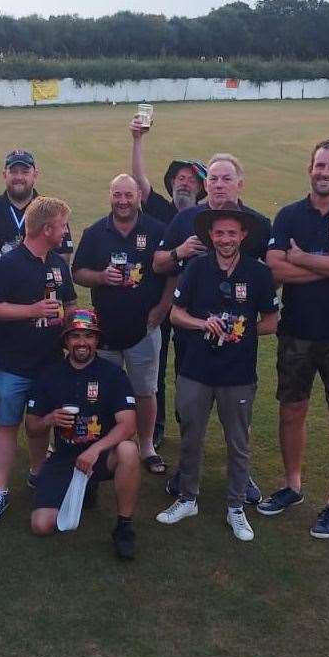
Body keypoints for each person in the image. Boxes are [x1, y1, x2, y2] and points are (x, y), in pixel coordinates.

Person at [261, 139, 329, 538]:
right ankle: (293, 485)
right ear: (310, 168)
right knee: (291, 409)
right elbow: (274, 269)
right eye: (319, 165)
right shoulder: (289, 215)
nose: (325, 173)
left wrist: (302, 257)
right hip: (296, 331)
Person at [153, 152, 271, 505]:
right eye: (214, 179)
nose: (219, 185)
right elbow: (158, 263)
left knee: (237, 413)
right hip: (192, 334)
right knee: (191, 407)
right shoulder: (187, 218)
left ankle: (242, 476)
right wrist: (179, 251)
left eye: (226, 179)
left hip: (238, 341)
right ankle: (186, 473)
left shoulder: (260, 224)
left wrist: (245, 308)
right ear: (207, 184)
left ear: (239, 183)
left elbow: (271, 276)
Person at [157, 209, 279, 542]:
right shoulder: (196, 267)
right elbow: (177, 314)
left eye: (231, 233)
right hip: (196, 369)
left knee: (238, 443)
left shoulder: (258, 273)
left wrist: (242, 330)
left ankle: (236, 507)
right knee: (191, 436)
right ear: (211, 236)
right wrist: (203, 324)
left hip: (238, 373)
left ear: (243, 236)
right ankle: (187, 498)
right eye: (219, 233)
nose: (225, 239)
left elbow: (271, 321)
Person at [0, 197, 78, 523]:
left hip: (49, 363)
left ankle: (37, 473)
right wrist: (32, 311)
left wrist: (72, 321)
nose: (65, 231)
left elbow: (71, 305)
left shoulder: (58, 264)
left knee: (39, 426)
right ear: (47, 229)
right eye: (62, 225)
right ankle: (0, 490)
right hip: (12, 364)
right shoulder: (7, 264)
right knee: (6, 427)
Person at [0, 148, 75, 462]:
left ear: (34, 174)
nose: (19, 176)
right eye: (13, 170)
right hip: (1, 305)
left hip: (41, 310)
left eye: (24, 170)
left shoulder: (49, 210)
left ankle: (38, 453)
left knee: (36, 394)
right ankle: (1, 433)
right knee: (5, 383)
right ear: (5, 174)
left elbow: (64, 262)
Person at [72, 173, 172, 474]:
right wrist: (101, 277)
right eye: (118, 195)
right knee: (102, 390)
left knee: (145, 390)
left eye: (129, 195)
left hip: (145, 327)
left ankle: (146, 445)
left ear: (138, 196)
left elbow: (173, 273)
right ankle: (104, 443)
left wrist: (162, 308)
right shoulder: (94, 232)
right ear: (110, 196)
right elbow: (77, 273)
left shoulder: (157, 230)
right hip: (105, 329)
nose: (123, 201)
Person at [24, 309, 142, 560]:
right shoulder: (49, 375)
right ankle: (85, 490)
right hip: (64, 457)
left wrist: (95, 449)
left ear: (97, 340)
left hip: (101, 455)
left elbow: (128, 425)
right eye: (75, 336)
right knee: (41, 525)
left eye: (88, 336)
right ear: (66, 341)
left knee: (128, 449)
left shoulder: (113, 375)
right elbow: (32, 428)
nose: (82, 343)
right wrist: (49, 419)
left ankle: (124, 527)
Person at [128, 118, 205, 448]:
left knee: (187, 369)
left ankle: (186, 423)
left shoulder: (207, 217)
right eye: (180, 178)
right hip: (158, 301)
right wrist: (137, 140)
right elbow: (138, 182)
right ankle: (154, 428)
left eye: (191, 180)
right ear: (171, 182)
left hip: (193, 304)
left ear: (201, 189)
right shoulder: (159, 206)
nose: (185, 184)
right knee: (153, 371)